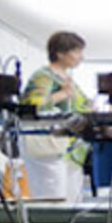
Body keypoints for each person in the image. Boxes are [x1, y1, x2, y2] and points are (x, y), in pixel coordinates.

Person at [20, 31, 91, 202]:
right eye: (76, 51)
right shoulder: (43, 76)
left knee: (71, 197)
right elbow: (31, 105)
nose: (81, 57)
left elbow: (81, 106)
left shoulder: (67, 78)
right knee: (52, 195)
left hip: (69, 150)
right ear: (60, 53)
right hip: (48, 146)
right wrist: (62, 94)